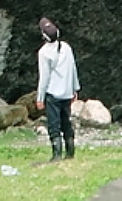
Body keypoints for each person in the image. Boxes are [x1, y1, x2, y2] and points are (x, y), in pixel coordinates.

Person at [36, 16, 80, 161]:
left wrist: (40, 98)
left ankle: (56, 155)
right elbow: (73, 69)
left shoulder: (43, 53)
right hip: (67, 93)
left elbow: (44, 77)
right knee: (66, 121)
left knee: (54, 124)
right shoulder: (66, 47)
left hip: (53, 94)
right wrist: (75, 89)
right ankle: (70, 152)